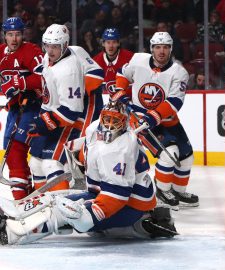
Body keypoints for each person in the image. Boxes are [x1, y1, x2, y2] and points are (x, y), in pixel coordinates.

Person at [0, 101, 177, 245]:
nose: (109, 125)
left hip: (130, 206)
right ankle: (16, 211)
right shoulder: (94, 128)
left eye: (115, 121)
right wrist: (75, 147)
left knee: (62, 214)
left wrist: (89, 216)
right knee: (54, 199)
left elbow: (118, 196)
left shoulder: (121, 149)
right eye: (107, 119)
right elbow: (90, 141)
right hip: (100, 193)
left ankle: (11, 233)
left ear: (123, 124)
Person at [112, 32, 199, 208]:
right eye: (158, 47)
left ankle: (177, 191)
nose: (161, 51)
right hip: (139, 119)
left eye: (165, 47)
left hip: (167, 120)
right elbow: (122, 73)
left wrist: (153, 117)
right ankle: (161, 191)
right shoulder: (138, 60)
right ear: (151, 49)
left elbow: (174, 102)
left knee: (186, 156)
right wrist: (120, 90)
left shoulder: (179, 72)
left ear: (171, 49)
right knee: (170, 154)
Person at [27, 24, 104, 191]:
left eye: (55, 46)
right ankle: (42, 200)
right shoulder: (55, 56)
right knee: (35, 163)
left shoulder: (68, 71)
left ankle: (62, 200)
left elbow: (70, 112)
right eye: (47, 45)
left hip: (73, 116)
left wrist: (43, 123)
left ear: (65, 45)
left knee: (51, 163)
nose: (50, 50)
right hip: (58, 112)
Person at [0, 17, 44, 200]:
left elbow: (45, 75)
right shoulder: (1, 53)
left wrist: (20, 82)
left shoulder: (31, 51)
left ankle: (24, 197)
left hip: (34, 107)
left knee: (16, 148)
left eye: (17, 34)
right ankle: (23, 196)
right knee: (10, 152)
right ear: (4, 36)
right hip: (14, 110)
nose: (14, 39)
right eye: (10, 34)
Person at [93, 28, 134, 96]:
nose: (111, 46)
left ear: (118, 43)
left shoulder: (131, 58)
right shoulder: (95, 61)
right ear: (103, 44)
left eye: (114, 42)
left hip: (126, 100)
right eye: (108, 42)